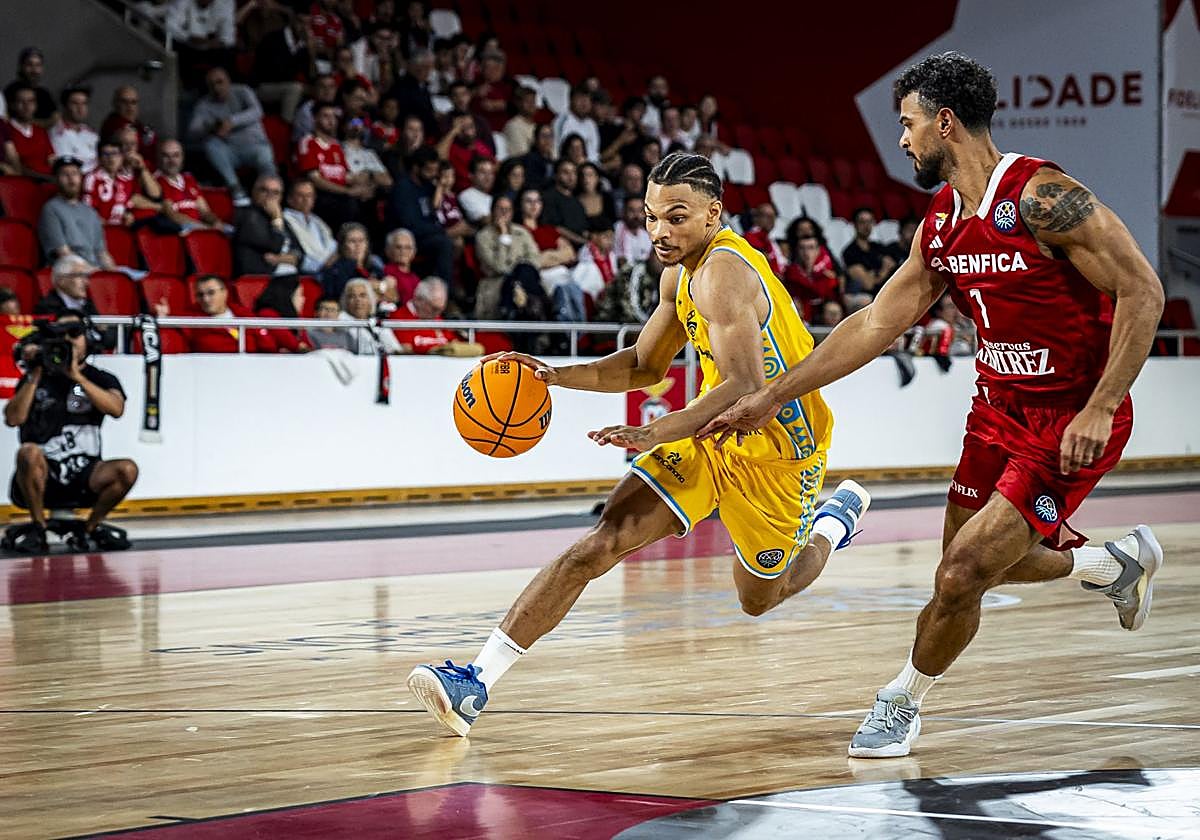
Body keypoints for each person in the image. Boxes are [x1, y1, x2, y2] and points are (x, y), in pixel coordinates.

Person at [701, 51, 1167, 760]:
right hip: (996, 412)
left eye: (908, 124)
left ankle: (901, 702)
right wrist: (771, 395)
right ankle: (1111, 566)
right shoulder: (942, 222)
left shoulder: (1043, 198)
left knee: (960, 575)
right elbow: (872, 325)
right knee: (971, 563)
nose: (902, 139)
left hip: (1068, 415)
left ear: (944, 122)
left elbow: (1143, 290)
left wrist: (1102, 405)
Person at [406, 152, 862, 736]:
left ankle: (832, 525)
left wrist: (656, 430)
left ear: (713, 214)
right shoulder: (678, 272)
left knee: (760, 599)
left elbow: (747, 387)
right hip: (708, 435)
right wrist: (555, 376)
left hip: (777, 449)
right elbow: (646, 364)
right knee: (599, 544)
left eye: (676, 217)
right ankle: (475, 682)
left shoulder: (725, 272)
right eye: (650, 217)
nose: (660, 232)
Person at [4, 312, 137, 553]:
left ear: (87, 339)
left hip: (85, 473)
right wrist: (35, 375)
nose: (68, 340)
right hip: (42, 472)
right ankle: (38, 528)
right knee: (28, 452)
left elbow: (116, 409)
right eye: (59, 335)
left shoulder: (101, 378)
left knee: (127, 469)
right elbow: (13, 418)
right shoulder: (36, 377)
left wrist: (76, 376)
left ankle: (89, 529)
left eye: (74, 334)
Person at [188, 67, 277, 206]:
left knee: (266, 161)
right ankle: (235, 188)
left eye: (220, 82)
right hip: (231, 151)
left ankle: (271, 194)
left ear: (228, 81)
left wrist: (232, 122)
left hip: (255, 146)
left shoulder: (242, 91)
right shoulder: (204, 104)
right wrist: (212, 127)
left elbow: (258, 111)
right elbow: (192, 131)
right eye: (212, 85)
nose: (217, 88)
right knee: (211, 144)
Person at [38, 157, 116, 269]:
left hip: (94, 271)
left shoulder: (90, 212)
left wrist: (114, 274)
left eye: (75, 173)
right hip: (70, 273)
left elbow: (102, 253)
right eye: (65, 174)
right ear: (56, 179)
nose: (71, 179)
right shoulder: (50, 209)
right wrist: (94, 272)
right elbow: (63, 254)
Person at [473, 195, 540, 318]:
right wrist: (503, 237)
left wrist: (520, 270)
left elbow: (535, 259)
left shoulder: (522, 232)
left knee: (526, 274)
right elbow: (500, 267)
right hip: (496, 284)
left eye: (507, 209)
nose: (504, 213)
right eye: (500, 209)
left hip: (526, 282)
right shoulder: (483, 237)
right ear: (493, 211)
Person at [232, 175, 301, 277]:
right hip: (259, 275)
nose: (270, 196)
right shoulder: (247, 215)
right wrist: (276, 218)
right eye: (264, 190)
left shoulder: (281, 218)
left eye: (276, 193)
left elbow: (299, 252)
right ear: (254, 192)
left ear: (281, 197)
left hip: (282, 273)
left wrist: (284, 259)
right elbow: (275, 245)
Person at [84, 137, 160, 227]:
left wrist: (130, 215)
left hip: (122, 231)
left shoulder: (126, 179)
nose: (111, 158)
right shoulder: (92, 178)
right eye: (106, 154)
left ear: (121, 157)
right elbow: (87, 212)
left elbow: (133, 202)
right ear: (99, 158)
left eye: (115, 154)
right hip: (101, 231)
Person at [155, 139, 225, 231]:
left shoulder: (189, 179)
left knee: (232, 232)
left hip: (201, 227)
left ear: (182, 157)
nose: (172, 161)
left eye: (176, 155)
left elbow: (204, 211)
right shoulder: (156, 182)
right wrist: (204, 227)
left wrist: (215, 221)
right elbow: (171, 215)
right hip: (181, 230)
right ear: (159, 158)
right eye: (166, 156)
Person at [841, 207, 896, 311]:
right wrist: (883, 271)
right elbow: (868, 284)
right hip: (864, 296)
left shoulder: (878, 247)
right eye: (862, 222)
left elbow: (892, 266)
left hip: (885, 292)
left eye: (869, 221)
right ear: (855, 224)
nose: (866, 226)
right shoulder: (850, 252)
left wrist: (874, 275)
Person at [319, 221, 385, 300]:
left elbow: (391, 295)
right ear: (342, 246)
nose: (358, 245)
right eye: (352, 241)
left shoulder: (374, 267)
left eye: (361, 240)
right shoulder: (335, 271)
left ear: (367, 244)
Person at [284, 179, 338, 274]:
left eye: (309, 195)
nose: (306, 199)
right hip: (306, 270)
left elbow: (332, 245)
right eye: (300, 195)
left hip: (331, 267)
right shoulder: (284, 219)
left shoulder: (317, 221)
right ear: (290, 199)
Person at [3, 84, 55, 180]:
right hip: (23, 183)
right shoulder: (5, 131)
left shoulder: (40, 131)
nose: (27, 106)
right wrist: (46, 178)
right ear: (12, 105)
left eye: (31, 101)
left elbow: (51, 159)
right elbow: (17, 168)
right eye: (21, 101)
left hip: (50, 182)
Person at [339, 278, 401, 355]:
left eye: (362, 295)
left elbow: (395, 349)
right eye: (352, 296)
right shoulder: (341, 321)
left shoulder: (376, 321)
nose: (357, 300)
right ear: (345, 301)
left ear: (370, 300)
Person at [100, 86, 158, 164]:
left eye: (133, 102)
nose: (129, 107)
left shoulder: (141, 126)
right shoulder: (112, 127)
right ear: (115, 104)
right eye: (124, 102)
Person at [253, 274, 310, 353]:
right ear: (287, 297)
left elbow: (306, 346)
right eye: (300, 295)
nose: (303, 299)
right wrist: (296, 347)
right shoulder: (266, 314)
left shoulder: (296, 317)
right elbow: (294, 345)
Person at [541, 159, 588, 247]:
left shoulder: (578, 202)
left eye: (574, 172)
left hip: (581, 248)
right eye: (566, 172)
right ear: (556, 175)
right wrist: (581, 241)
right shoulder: (548, 197)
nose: (571, 177)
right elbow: (555, 228)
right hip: (560, 247)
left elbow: (584, 229)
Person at [50, 87, 99, 171]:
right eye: (75, 103)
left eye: (84, 103)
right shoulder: (57, 134)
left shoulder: (91, 133)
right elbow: (67, 167)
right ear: (65, 106)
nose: (80, 108)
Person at [4, 48, 57, 126]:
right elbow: (6, 120)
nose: (34, 70)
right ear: (21, 67)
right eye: (29, 64)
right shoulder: (10, 91)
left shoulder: (45, 93)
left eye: (38, 65)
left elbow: (55, 119)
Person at [553, 84, 600, 163]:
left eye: (587, 99)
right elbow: (560, 152)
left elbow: (594, 154)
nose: (584, 103)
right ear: (570, 101)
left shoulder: (591, 124)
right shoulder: (563, 120)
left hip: (591, 167)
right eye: (580, 98)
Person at [381, 227, 420, 305]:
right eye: (398, 247)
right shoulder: (385, 273)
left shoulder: (416, 279)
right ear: (388, 250)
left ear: (414, 251)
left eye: (408, 247)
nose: (403, 251)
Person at [613, 195, 652, 269]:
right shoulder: (617, 229)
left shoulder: (645, 234)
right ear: (623, 211)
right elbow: (621, 261)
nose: (636, 215)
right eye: (632, 210)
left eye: (640, 210)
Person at [457, 155, 495, 225]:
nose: (488, 177)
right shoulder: (466, 195)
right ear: (471, 176)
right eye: (483, 172)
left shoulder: (494, 195)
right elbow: (485, 220)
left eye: (491, 173)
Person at [576, 161, 615, 230]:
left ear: (597, 177)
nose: (586, 179)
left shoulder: (607, 198)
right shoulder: (574, 200)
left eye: (590, 175)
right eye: (582, 175)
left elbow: (613, 222)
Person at [503, 86, 538, 159]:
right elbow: (522, 155)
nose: (531, 105)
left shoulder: (537, 126)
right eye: (527, 101)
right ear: (518, 103)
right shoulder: (513, 126)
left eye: (533, 101)